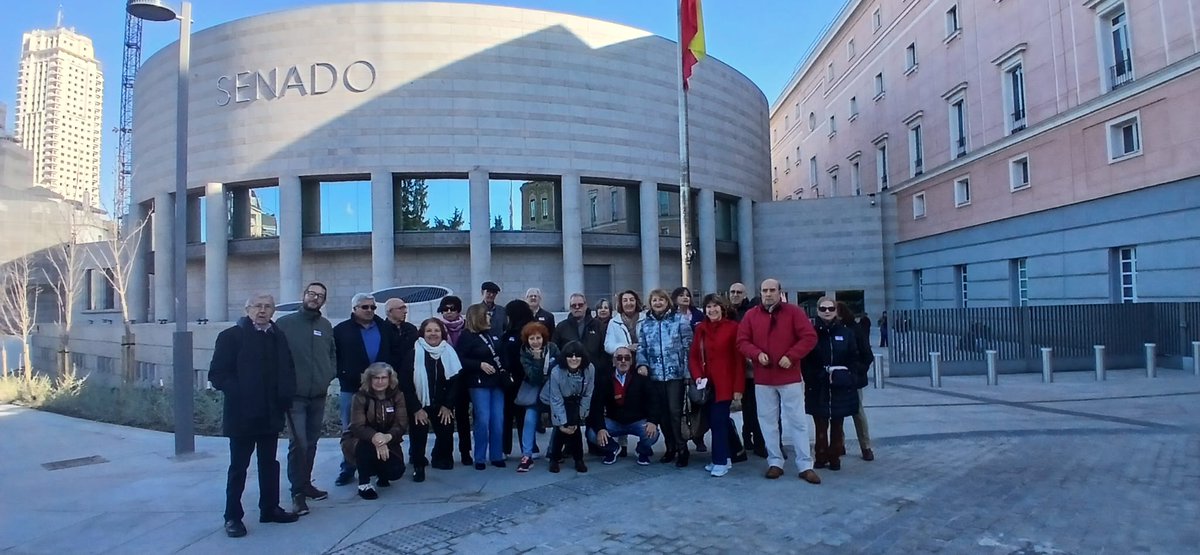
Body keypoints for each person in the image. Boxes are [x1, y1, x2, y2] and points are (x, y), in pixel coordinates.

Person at [209, 294, 299, 538]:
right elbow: (218, 375)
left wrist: (286, 395)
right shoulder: (231, 336)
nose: (262, 310)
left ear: (273, 311)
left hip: (271, 413)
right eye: (257, 306)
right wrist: (243, 392)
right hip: (242, 415)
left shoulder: (278, 336)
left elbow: (288, 369)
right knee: (239, 468)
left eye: (267, 306)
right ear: (247, 309)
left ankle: (270, 509)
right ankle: (232, 517)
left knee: (269, 464)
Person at [737, 279, 821, 484]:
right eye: (764, 290)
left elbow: (809, 337)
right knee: (767, 422)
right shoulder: (751, 315)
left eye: (772, 290)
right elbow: (742, 341)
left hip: (789, 376)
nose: (768, 294)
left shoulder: (794, 312)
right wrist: (756, 354)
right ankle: (775, 461)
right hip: (763, 378)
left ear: (779, 292)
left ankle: (805, 464)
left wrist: (792, 356)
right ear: (760, 292)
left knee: (798, 421)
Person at [274, 282, 336, 515]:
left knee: (312, 441)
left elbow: (332, 353)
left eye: (320, 295)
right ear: (304, 295)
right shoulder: (285, 324)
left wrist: (328, 374)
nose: (315, 298)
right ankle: (297, 492)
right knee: (299, 443)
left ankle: (306, 483)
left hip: (318, 394)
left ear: (324, 301)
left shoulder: (325, 325)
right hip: (295, 396)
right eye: (312, 293)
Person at [332, 293, 406, 487]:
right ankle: (348, 467)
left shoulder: (384, 328)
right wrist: (344, 373)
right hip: (352, 387)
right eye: (364, 307)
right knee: (351, 429)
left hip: (382, 387)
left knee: (381, 425)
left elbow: (395, 352)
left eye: (373, 307)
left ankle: (380, 467)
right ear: (354, 308)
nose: (369, 310)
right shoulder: (341, 330)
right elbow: (335, 356)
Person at [803, 297, 866, 471]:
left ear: (836, 311)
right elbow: (806, 361)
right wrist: (816, 376)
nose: (827, 311)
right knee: (820, 423)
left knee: (838, 423)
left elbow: (854, 357)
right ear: (817, 310)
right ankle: (820, 455)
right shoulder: (811, 333)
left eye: (830, 308)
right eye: (823, 308)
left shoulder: (846, 333)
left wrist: (850, 376)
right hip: (818, 385)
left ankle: (835, 456)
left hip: (841, 385)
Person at [689, 294, 745, 477]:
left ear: (722, 308)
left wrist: (738, 388)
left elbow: (739, 361)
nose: (712, 310)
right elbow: (694, 356)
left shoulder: (733, 328)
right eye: (708, 307)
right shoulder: (701, 329)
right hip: (706, 385)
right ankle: (724, 457)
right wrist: (697, 376)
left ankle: (720, 461)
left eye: (715, 306)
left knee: (718, 422)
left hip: (725, 384)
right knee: (714, 422)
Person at [637, 288, 693, 467]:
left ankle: (682, 448)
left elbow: (688, 347)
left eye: (661, 299)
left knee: (675, 412)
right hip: (655, 376)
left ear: (667, 301)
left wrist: (687, 373)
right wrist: (642, 364)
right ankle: (670, 447)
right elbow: (641, 348)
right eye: (654, 300)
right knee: (662, 414)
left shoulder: (679, 320)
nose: (658, 303)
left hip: (675, 374)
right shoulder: (645, 324)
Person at [401, 318, 463, 480]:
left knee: (446, 428)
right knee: (419, 432)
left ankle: (440, 457)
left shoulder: (449, 352)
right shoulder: (413, 353)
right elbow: (406, 384)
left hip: (442, 403)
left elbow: (455, 381)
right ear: (423, 333)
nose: (433, 334)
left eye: (436, 330)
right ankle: (418, 465)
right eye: (429, 330)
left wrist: (448, 405)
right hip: (419, 402)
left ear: (442, 333)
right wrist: (416, 408)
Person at [456, 303, 509, 469]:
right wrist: (479, 365)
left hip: (497, 382)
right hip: (479, 383)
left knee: (498, 419)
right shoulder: (467, 336)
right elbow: (460, 359)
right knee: (483, 419)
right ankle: (479, 457)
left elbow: (502, 354)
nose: (489, 317)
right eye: (486, 315)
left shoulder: (492, 334)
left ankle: (496, 455)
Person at [587, 345, 659, 466]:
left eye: (627, 358)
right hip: (614, 422)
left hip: (637, 421)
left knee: (653, 433)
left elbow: (654, 400)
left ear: (631, 361)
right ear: (614, 361)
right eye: (619, 358)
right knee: (592, 434)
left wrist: (652, 421)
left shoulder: (641, 378)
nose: (623, 361)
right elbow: (596, 405)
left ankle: (642, 451)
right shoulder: (605, 379)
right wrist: (600, 428)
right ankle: (613, 448)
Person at [350, 362, 408, 500]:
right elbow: (357, 426)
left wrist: (386, 438)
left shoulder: (398, 396)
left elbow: (401, 424)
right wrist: (376, 437)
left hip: (389, 439)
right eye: (376, 378)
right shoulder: (360, 396)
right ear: (369, 379)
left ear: (390, 379)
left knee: (396, 471)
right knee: (364, 447)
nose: (380, 381)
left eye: (383, 378)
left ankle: (382, 474)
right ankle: (364, 483)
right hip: (363, 439)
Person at [542, 340, 595, 473]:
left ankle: (578, 459)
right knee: (561, 429)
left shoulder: (590, 369)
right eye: (570, 355)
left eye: (577, 355)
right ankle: (555, 458)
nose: (574, 359)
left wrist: (581, 416)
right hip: (558, 399)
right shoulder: (556, 372)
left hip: (577, 400)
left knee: (575, 427)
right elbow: (556, 399)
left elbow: (588, 394)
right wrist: (561, 423)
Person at [729, 282, 767, 459]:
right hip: (734, 367)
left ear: (745, 294)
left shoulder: (751, 312)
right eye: (732, 292)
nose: (735, 294)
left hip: (751, 367)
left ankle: (758, 441)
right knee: (745, 407)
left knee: (754, 406)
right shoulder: (727, 312)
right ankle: (745, 437)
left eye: (739, 292)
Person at [516, 321, 559, 472]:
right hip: (533, 392)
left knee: (558, 418)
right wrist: (537, 360)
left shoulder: (552, 348)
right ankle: (527, 455)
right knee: (529, 419)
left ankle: (553, 450)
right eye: (532, 338)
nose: (536, 342)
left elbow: (558, 369)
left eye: (538, 338)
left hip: (552, 390)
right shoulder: (525, 352)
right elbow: (533, 376)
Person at [838, 302, 876, 462]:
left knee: (857, 412)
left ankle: (866, 446)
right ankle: (839, 444)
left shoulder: (855, 329)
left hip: (853, 379)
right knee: (837, 414)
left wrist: (857, 371)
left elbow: (868, 355)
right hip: (837, 378)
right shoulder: (832, 329)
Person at [438, 295, 472, 465]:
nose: (449, 312)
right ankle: (446, 454)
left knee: (463, 417)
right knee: (446, 417)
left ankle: (465, 452)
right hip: (446, 378)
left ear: (459, 310)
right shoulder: (437, 327)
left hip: (465, 377)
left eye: (452, 308)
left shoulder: (468, 326)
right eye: (445, 309)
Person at [500, 299, 535, 457]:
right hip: (520, 380)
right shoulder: (516, 332)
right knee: (520, 415)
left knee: (514, 415)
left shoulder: (519, 334)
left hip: (517, 379)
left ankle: (508, 448)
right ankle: (526, 448)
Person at [554, 293, 602, 358]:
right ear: (570, 308)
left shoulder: (598, 325)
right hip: (569, 363)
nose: (577, 307)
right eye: (574, 305)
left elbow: (603, 350)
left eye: (580, 305)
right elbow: (556, 350)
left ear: (586, 306)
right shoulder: (561, 327)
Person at [605, 290, 643, 356]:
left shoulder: (645, 319)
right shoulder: (613, 322)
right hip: (623, 359)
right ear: (621, 304)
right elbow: (608, 346)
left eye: (631, 300)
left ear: (636, 302)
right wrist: (626, 347)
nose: (628, 303)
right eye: (625, 300)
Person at [589, 298, 614, 376]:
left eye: (606, 308)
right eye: (600, 308)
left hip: (610, 362)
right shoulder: (590, 325)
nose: (603, 310)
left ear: (610, 310)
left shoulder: (615, 324)